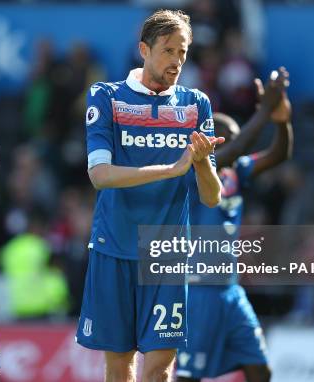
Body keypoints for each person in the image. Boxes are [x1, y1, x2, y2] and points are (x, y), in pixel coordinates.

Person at [76, 10, 224, 382]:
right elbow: (100, 175)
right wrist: (172, 169)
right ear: (144, 49)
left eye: (183, 52)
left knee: (159, 369)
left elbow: (211, 198)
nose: (176, 61)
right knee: (120, 364)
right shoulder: (107, 96)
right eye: (168, 50)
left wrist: (202, 164)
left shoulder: (196, 104)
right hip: (114, 247)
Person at [176, 68, 292, 382]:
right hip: (197, 290)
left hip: (229, 289)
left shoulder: (236, 172)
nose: (239, 144)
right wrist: (265, 110)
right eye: (230, 137)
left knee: (260, 370)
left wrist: (281, 120)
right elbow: (237, 150)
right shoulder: (192, 173)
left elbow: (279, 154)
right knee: (189, 377)